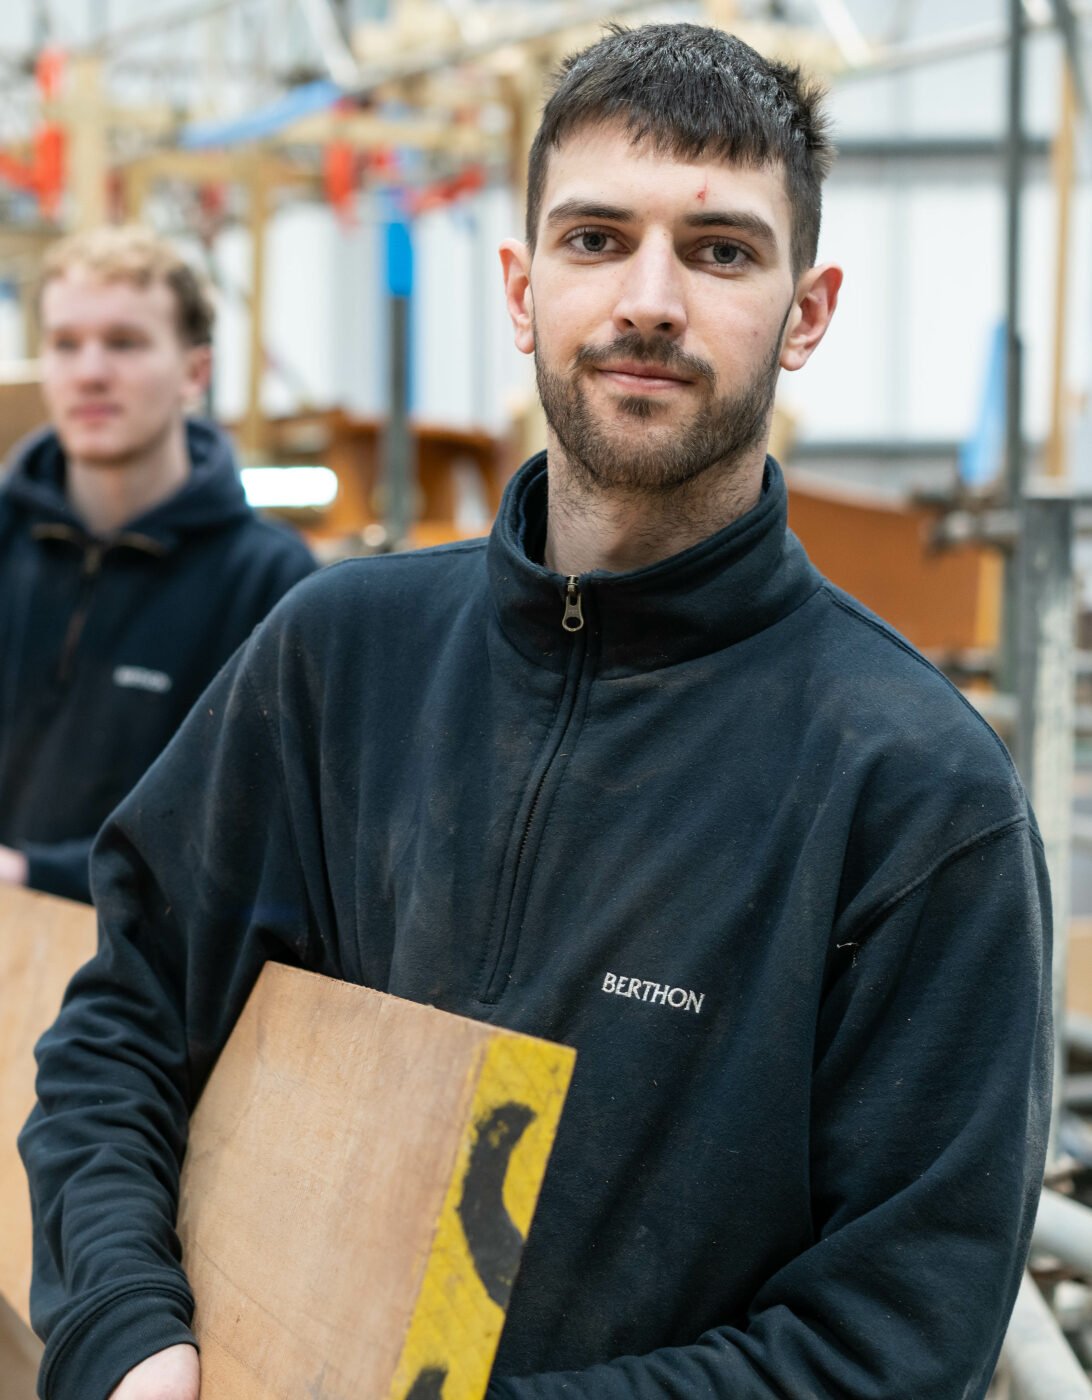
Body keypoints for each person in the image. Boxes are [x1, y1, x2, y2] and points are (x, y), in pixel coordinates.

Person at [21, 24, 1050, 1400]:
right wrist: (127, 1329)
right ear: (521, 287)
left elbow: (895, 1340)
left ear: (808, 312)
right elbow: (123, 1024)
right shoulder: (337, 656)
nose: (650, 299)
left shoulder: (914, 790)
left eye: (722, 251)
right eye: (595, 239)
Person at [0, 224, 315, 903]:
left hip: (144, 980)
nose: (90, 371)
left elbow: (248, 833)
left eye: (125, 342)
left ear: (195, 372)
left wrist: (36, 877)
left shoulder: (269, 583)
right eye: (65, 344)